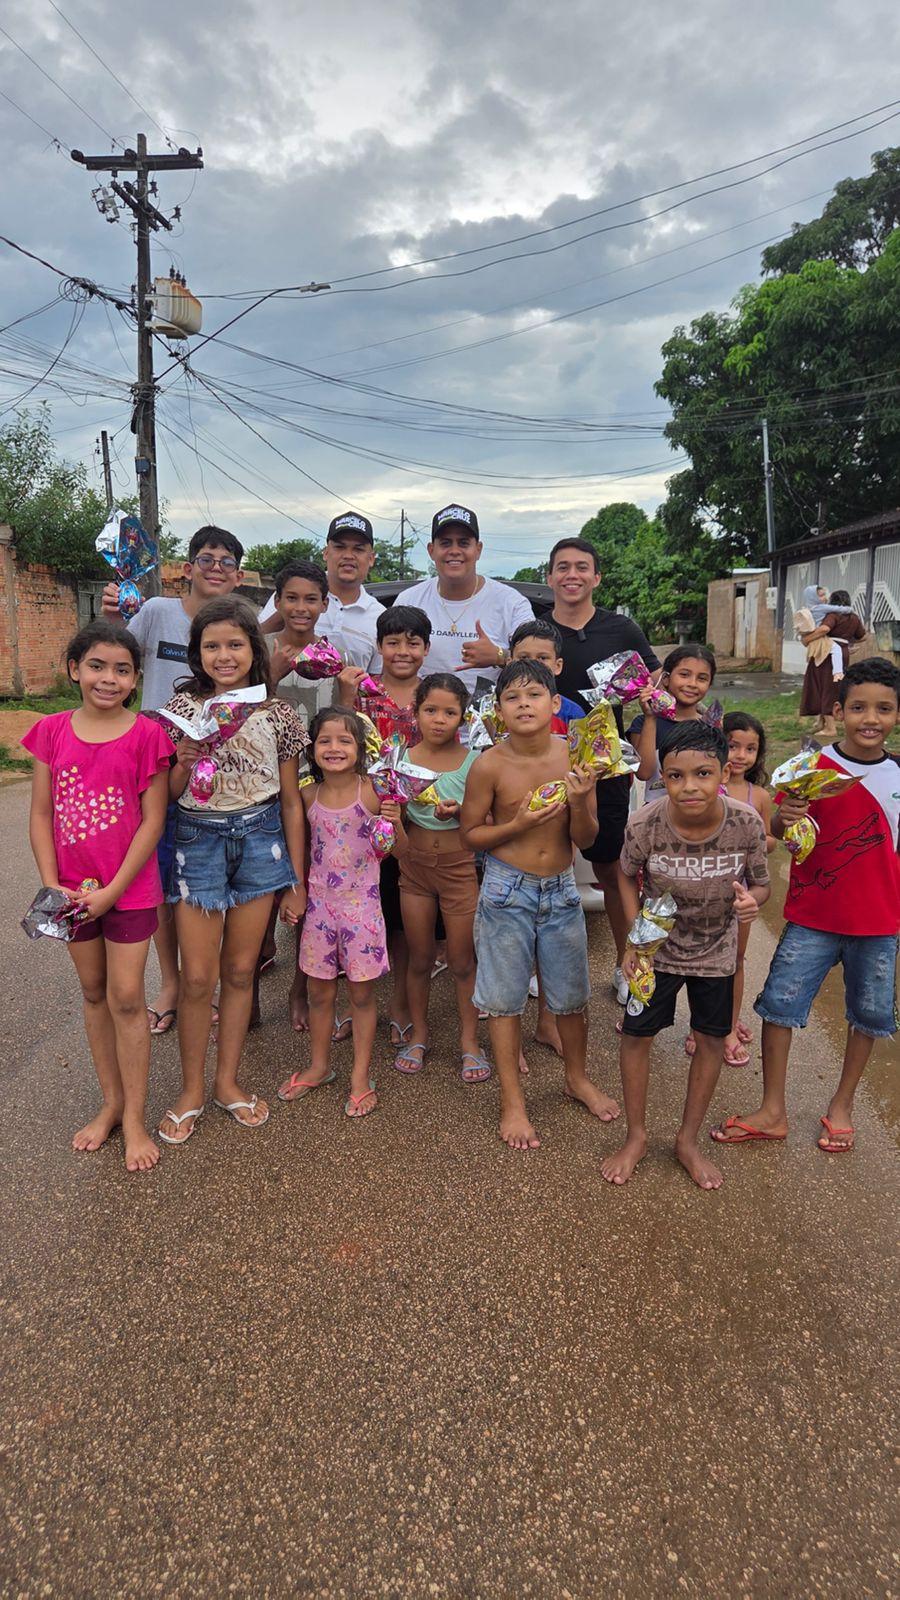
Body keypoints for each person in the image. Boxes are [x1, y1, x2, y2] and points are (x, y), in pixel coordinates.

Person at [712, 658, 900, 1157]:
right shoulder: (809, 769)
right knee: (779, 1006)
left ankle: (842, 1105)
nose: (870, 718)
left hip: (879, 922)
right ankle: (772, 1109)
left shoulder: (899, 774)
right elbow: (777, 830)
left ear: (897, 715)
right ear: (838, 710)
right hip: (811, 916)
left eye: (884, 708)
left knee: (868, 1015)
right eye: (858, 707)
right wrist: (785, 814)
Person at [22, 620, 172, 1171]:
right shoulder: (51, 731)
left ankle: (135, 1116)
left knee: (128, 997)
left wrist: (112, 891)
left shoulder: (147, 736)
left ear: (135, 679)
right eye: (96, 666)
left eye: (122, 670)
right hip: (68, 893)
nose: (108, 679)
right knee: (92, 992)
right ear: (74, 669)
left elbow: (152, 821)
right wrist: (50, 882)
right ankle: (109, 1104)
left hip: (127, 891)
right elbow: (40, 813)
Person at [157, 599, 307, 1144]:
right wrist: (183, 760)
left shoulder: (279, 714)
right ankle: (191, 1088)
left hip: (262, 840)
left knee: (241, 971)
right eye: (212, 646)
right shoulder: (180, 709)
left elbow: (291, 801)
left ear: (255, 651)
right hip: (197, 840)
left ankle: (227, 1082)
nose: (225, 655)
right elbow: (168, 795)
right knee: (198, 978)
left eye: (235, 644)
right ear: (198, 653)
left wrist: (297, 878)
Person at [460, 658, 621, 1150]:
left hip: (561, 888)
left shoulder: (573, 753)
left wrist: (581, 800)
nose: (524, 704)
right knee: (505, 1000)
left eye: (534, 695)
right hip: (507, 890)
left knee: (571, 996)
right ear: (499, 710)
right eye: (512, 697)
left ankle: (576, 1077)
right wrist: (517, 825)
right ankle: (513, 1101)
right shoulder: (489, 765)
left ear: (555, 705)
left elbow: (587, 837)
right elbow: (471, 836)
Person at [602, 723, 770, 1190]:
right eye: (675, 776)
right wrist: (636, 944)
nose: (689, 786)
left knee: (711, 1039)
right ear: (664, 778)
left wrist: (753, 901)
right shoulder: (644, 824)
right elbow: (624, 876)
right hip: (656, 951)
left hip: (716, 950)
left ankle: (687, 1140)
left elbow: (762, 882)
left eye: (702, 774)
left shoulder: (746, 823)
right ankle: (635, 1136)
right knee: (637, 1036)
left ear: (724, 771)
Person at [101, 524, 247, 1036]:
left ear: (238, 575)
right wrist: (113, 611)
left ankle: (211, 985)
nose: (215, 567)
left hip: (221, 767)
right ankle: (171, 982)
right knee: (160, 877)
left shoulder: (238, 622)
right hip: (156, 759)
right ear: (186, 567)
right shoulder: (157, 611)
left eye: (227, 561)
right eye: (206, 558)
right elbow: (117, 650)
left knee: (212, 876)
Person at [542, 536, 660, 1007]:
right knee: (540, 866)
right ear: (549, 576)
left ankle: (626, 965)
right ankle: (537, 972)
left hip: (604, 766)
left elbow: (653, 679)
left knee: (613, 870)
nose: (572, 575)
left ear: (596, 577)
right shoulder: (534, 629)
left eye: (582, 567)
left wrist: (649, 702)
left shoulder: (621, 629)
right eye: (563, 567)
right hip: (541, 764)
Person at [277, 708, 401, 1119]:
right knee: (318, 992)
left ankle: (360, 1076)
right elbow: (297, 850)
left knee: (362, 997)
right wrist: (291, 893)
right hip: (319, 912)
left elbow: (397, 849)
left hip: (363, 911)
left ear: (360, 749)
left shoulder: (373, 793)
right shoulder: (306, 797)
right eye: (325, 740)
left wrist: (395, 823)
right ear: (312, 748)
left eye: (345, 740)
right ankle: (319, 1065)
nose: (334, 748)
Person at [393, 673, 486, 1080]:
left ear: (463, 717)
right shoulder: (400, 760)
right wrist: (395, 822)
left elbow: (485, 822)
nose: (439, 719)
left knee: (464, 961)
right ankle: (420, 1033)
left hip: (459, 869)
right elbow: (390, 827)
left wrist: (460, 813)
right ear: (415, 713)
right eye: (430, 710)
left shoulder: (474, 762)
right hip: (413, 871)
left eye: (450, 712)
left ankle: (470, 1041)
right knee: (419, 958)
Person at [397, 504, 533, 692]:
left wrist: (499, 656)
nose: (454, 550)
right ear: (431, 550)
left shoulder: (511, 603)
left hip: (493, 720)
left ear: (478, 549)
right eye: (445, 543)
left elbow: (537, 663)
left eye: (463, 543)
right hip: (421, 718)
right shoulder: (408, 600)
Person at [260, 513, 382, 671]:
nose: (348, 556)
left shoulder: (379, 617)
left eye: (358, 549)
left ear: (371, 558)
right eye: (339, 547)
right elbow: (256, 639)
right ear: (325, 553)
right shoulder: (290, 592)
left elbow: (375, 680)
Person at [629, 643, 718, 796]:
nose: (692, 684)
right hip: (658, 813)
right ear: (665, 679)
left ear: (709, 685)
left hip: (699, 811)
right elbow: (644, 773)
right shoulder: (643, 724)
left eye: (702, 678)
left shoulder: (710, 726)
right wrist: (650, 718)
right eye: (684, 675)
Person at [338, 603, 431, 746]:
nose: (403, 652)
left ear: (426, 648)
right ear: (379, 646)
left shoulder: (434, 694)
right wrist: (346, 699)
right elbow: (339, 736)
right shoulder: (360, 690)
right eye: (393, 643)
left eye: (413, 644)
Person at [796, 586, 866, 740]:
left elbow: (824, 629)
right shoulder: (854, 617)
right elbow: (863, 636)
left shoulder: (833, 615)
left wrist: (807, 639)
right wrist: (847, 643)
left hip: (826, 654)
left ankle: (830, 728)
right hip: (843, 653)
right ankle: (821, 722)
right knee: (831, 687)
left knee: (825, 688)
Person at [508, 617, 584, 733]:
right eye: (524, 658)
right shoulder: (497, 710)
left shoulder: (573, 714)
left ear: (557, 666)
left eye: (542, 658)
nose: (533, 664)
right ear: (509, 663)